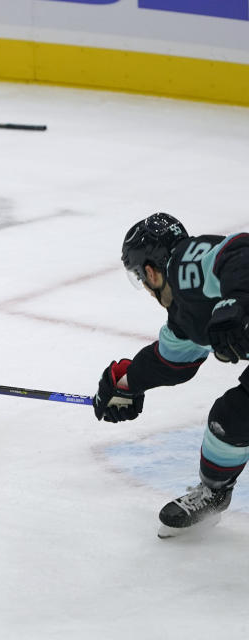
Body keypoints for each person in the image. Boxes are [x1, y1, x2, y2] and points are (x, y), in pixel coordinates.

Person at [93, 212, 249, 537]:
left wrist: (236, 304)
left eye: (142, 279)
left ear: (151, 271)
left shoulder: (185, 266)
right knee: (230, 418)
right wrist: (125, 385)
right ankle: (214, 493)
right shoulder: (186, 314)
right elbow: (170, 362)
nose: (148, 291)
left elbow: (240, 251)